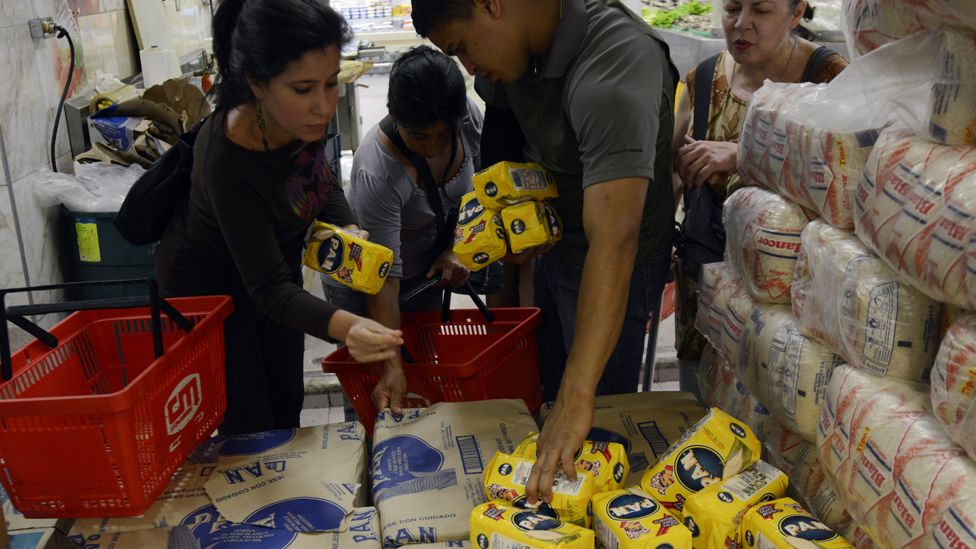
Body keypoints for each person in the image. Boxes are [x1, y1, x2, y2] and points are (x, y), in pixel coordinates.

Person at [411, 0, 679, 502]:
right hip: (554, 237)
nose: (469, 67)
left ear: (491, 5)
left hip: (613, 259)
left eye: (462, 48)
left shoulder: (613, 64)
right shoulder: (516, 49)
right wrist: (505, 222)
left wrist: (578, 397)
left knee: (596, 416)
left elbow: (615, 240)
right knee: (552, 392)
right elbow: (503, 124)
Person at [154, 0, 404, 436]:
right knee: (250, 426)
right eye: (304, 89)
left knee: (287, 406)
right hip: (211, 296)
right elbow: (267, 289)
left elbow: (321, 181)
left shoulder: (298, 119)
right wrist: (349, 327)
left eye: (332, 83)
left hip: (274, 280)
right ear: (257, 83)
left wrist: (346, 226)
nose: (323, 105)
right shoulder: (228, 159)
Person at [671, 0, 848, 399]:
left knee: (772, 409)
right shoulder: (702, 80)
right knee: (697, 411)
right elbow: (672, 174)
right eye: (732, 8)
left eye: (762, 11)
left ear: (797, 13)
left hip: (790, 307)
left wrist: (743, 154)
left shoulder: (829, 80)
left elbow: (850, 182)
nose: (741, 24)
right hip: (705, 288)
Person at [323, 45, 481, 414]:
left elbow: (480, 192)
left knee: (423, 379)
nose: (433, 149)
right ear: (394, 116)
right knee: (375, 392)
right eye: (419, 137)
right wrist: (390, 364)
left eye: (444, 137)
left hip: (423, 271)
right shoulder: (378, 170)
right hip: (366, 284)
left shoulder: (467, 118)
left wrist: (454, 248)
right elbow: (383, 280)